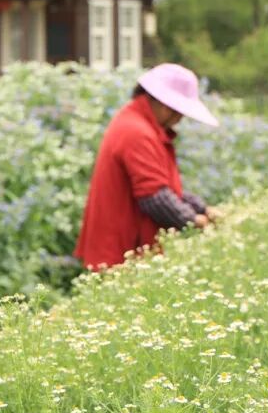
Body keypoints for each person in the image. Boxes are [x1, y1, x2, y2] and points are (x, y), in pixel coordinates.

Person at [75, 63, 219, 270]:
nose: (180, 119)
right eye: (179, 112)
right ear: (165, 104)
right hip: (121, 252)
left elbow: (163, 188)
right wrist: (194, 220)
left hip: (124, 248)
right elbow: (155, 198)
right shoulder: (137, 132)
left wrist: (202, 208)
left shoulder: (134, 122)